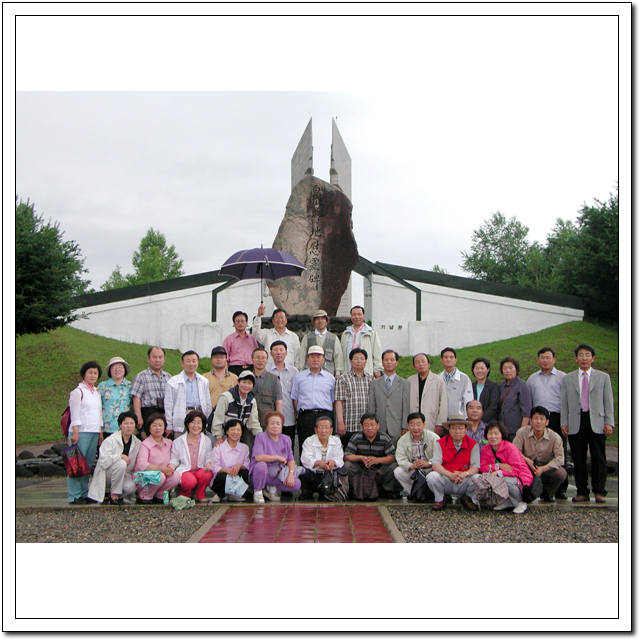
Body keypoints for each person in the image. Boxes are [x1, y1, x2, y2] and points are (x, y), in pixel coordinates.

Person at [561, 343, 615, 503]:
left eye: (587, 355)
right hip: (576, 421)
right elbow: (564, 403)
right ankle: (582, 491)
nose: (584, 358)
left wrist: (609, 422)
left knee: (599, 457)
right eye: (581, 355)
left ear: (593, 358)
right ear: (576, 358)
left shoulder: (603, 377)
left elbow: (608, 401)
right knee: (578, 458)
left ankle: (599, 491)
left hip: (597, 421)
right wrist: (564, 422)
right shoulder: (568, 378)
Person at [527, 347, 568, 498]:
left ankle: (561, 489)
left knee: (560, 450)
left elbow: (566, 400)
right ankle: (537, 486)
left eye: (548, 357)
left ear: (554, 359)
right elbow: (529, 399)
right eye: (542, 357)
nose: (545, 360)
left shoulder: (562, 377)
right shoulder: (532, 378)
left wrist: (565, 421)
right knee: (537, 450)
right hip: (537, 418)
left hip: (556, 417)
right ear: (538, 360)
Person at [67, 361, 104, 505]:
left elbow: (99, 413)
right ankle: (74, 495)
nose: (93, 375)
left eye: (95, 373)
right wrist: (75, 432)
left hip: (93, 432)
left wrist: (100, 431)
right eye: (90, 373)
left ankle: (83, 492)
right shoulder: (78, 392)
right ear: (84, 374)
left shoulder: (96, 392)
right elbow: (74, 414)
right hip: (81, 432)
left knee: (87, 464)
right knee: (76, 464)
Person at [513, 406, 567, 503]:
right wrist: (526, 460)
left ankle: (548, 493)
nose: (538, 421)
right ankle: (522, 494)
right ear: (530, 421)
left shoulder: (555, 437)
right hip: (526, 467)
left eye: (542, 419)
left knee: (561, 473)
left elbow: (560, 458)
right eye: (536, 418)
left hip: (545, 469)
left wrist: (543, 468)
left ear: (547, 422)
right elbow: (514, 451)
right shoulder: (521, 432)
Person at [426, 415, 480, 511]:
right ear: (449, 429)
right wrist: (449, 474)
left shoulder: (473, 444)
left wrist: (465, 474)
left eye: (460, 428)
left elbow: (476, 466)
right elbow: (436, 464)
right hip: (447, 478)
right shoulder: (440, 443)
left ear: (466, 429)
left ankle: (468, 498)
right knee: (432, 476)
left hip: (464, 479)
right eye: (454, 428)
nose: (457, 431)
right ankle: (440, 499)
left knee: (478, 478)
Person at [88, 411, 141, 505]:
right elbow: (103, 462)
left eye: (131, 423)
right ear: (120, 425)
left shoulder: (137, 443)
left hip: (125, 475)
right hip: (107, 474)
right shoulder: (110, 440)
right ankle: (114, 496)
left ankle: (111, 494)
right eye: (126, 423)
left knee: (131, 488)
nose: (129, 426)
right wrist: (119, 456)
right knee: (121, 463)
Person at [343, 413, 401, 498]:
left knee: (394, 466)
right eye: (366, 425)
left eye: (372, 425)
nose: (369, 428)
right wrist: (361, 458)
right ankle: (355, 491)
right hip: (362, 469)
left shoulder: (384, 437)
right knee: (347, 465)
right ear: (362, 427)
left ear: (378, 426)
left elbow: (392, 457)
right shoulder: (356, 437)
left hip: (379, 470)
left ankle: (386, 490)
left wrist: (378, 460)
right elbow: (347, 455)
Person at [249, 411, 301, 504]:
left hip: (278, 474)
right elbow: (258, 457)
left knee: (296, 484)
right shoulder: (260, 437)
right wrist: (277, 457)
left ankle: (272, 488)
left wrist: (291, 474)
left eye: (278, 423)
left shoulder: (286, 439)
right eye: (272, 423)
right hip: (262, 474)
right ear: (267, 426)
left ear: (281, 426)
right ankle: (258, 492)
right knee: (261, 466)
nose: (275, 426)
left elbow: (291, 459)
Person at [290, 345, 335, 452]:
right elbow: (295, 399)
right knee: (305, 447)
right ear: (307, 359)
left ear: (323, 359)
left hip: (325, 415)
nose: (315, 360)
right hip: (306, 416)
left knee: (325, 447)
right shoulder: (299, 377)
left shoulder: (330, 378)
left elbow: (333, 400)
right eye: (312, 357)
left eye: (318, 357)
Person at [480, 421, 532, 514]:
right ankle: (508, 502)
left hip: (521, 477)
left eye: (496, 433)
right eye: (490, 433)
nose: (493, 436)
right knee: (485, 479)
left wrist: (498, 473)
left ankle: (521, 502)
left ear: (502, 435)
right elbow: (483, 468)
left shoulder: (510, 448)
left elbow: (516, 470)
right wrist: (498, 466)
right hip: (504, 474)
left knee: (505, 481)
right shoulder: (485, 449)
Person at [134, 413, 180, 503]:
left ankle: (159, 495)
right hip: (145, 477)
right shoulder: (145, 444)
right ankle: (145, 495)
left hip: (164, 475)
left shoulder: (169, 443)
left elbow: (174, 458)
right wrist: (161, 469)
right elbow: (142, 464)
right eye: (154, 425)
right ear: (149, 428)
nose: (157, 428)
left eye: (160, 425)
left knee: (176, 476)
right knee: (159, 476)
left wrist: (170, 468)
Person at [164, 351, 212, 438]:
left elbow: (208, 403)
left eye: (194, 361)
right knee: (180, 444)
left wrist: (208, 421)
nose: (191, 364)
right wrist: (169, 425)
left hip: (199, 416)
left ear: (198, 362)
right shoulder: (173, 382)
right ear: (182, 363)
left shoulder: (204, 381)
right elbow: (168, 405)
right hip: (181, 416)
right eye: (188, 361)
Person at [368, 349, 410, 446]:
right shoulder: (374, 383)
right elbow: (372, 406)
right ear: (382, 362)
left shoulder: (404, 383)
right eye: (386, 360)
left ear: (396, 362)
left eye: (392, 360)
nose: (389, 362)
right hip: (379, 425)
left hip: (396, 426)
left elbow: (406, 406)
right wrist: (372, 424)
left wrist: (405, 426)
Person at [169, 410, 213, 502]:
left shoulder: (207, 440)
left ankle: (200, 494)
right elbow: (174, 459)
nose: (196, 426)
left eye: (199, 423)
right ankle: (184, 495)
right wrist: (170, 467)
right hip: (186, 470)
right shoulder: (178, 441)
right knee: (190, 481)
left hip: (200, 469)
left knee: (207, 474)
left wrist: (208, 464)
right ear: (188, 424)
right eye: (193, 422)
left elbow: (209, 456)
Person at [210, 370, 262, 449]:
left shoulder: (252, 401)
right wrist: (219, 437)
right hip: (218, 435)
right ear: (238, 382)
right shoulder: (226, 397)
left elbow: (253, 423)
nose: (246, 386)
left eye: (249, 383)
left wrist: (262, 437)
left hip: (235, 436)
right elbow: (218, 418)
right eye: (244, 382)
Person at [393, 412, 440, 496]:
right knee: (398, 472)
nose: (415, 428)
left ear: (424, 425)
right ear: (408, 426)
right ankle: (415, 493)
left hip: (430, 468)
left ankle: (432, 493)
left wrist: (428, 463)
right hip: (414, 469)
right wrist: (411, 466)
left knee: (436, 475)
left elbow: (439, 456)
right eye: (412, 425)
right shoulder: (402, 440)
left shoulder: (434, 437)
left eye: (418, 424)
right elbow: (400, 458)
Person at [335, 348, 373, 449]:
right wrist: (340, 422)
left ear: (366, 361)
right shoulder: (343, 379)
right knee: (348, 452)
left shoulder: (371, 379)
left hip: (366, 426)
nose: (359, 361)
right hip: (349, 424)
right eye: (356, 358)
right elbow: (339, 401)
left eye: (362, 358)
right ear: (350, 361)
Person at [299, 416, 345, 499]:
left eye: (326, 427)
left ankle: (327, 492)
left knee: (341, 471)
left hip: (329, 475)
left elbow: (340, 459)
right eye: (320, 427)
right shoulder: (309, 441)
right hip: (314, 474)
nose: (323, 431)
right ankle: (306, 493)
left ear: (331, 430)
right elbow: (305, 459)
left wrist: (333, 462)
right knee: (304, 472)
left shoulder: (336, 441)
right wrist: (319, 463)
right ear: (316, 430)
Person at [266, 340, 299, 455]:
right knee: (270, 448)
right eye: (275, 350)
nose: (278, 352)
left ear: (286, 353)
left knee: (287, 448)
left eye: (281, 350)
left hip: (288, 415)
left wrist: (296, 412)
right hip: (270, 415)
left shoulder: (294, 371)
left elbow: (296, 394)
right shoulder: (266, 370)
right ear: (271, 353)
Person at [210, 419, 251, 503]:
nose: (235, 432)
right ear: (227, 431)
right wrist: (225, 470)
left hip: (237, 477)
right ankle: (220, 494)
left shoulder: (245, 448)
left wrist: (239, 466)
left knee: (245, 473)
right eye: (232, 429)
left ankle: (234, 494)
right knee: (223, 476)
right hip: (222, 478)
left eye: (238, 430)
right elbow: (214, 467)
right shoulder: (219, 447)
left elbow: (247, 465)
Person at [131, 346, 172, 430]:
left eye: (160, 357)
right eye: (154, 357)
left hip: (165, 413)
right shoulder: (141, 376)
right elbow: (136, 397)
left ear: (164, 359)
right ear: (148, 359)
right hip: (148, 413)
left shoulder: (169, 377)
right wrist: (138, 416)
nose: (157, 360)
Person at [407, 353, 448, 435]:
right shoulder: (409, 381)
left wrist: (440, 423)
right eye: (417, 362)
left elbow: (443, 403)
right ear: (414, 366)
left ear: (428, 364)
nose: (420, 364)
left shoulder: (438, 380)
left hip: (431, 421)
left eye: (423, 361)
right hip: (414, 421)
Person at [339, 305, 383, 378]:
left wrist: (377, 369)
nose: (357, 317)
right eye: (354, 314)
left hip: (366, 371)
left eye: (359, 314)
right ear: (351, 316)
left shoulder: (371, 333)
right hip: (348, 370)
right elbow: (342, 354)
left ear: (363, 316)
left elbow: (377, 352)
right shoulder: (346, 333)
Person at [299, 309, 345, 376]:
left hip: (328, 374)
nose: (320, 321)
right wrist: (301, 371)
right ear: (314, 322)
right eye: (317, 319)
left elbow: (338, 357)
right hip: (310, 374)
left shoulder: (334, 338)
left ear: (327, 321)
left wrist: (338, 372)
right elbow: (302, 356)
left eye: (322, 319)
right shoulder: (307, 338)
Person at [497, 357, 532, 441]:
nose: (508, 371)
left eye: (510, 368)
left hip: (516, 430)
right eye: (505, 368)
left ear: (516, 369)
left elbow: (527, 411)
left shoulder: (522, 385)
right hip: (502, 429)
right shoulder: (500, 386)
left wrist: (522, 430)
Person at [98, 356, 132, 436]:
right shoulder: (103, 386)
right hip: (107, 428)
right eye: (114, 368)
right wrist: (100, 428)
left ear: (124, 370)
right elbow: (97, 408)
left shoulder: (130, 386)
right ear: (110, 371)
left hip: (125, 429)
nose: (117, 370)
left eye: (120, 367)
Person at [250, 347, 283, 427]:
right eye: (257, 357)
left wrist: (278, 422)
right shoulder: (246, 378)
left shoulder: (274, 379)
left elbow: (278, 402)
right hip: (249, 422)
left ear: (267, 360)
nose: (260, 360)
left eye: (263, 358)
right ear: (252, 359)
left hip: (267, 423)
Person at [438, 347, 474, 419]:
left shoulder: (464, 378)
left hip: (458, 419)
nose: (448, 359)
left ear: (455, 360)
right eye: (446, 357)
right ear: (441, 360)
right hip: (441, 419)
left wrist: (466, 417)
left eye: (451, 357)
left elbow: (468, 400)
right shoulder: (437, 378)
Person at [223, 311, 259, 376]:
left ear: (246, 323)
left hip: (251, 368)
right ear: (234, 323)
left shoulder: (252, 338)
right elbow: (225, 359)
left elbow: (257, 354)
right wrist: (225, 374)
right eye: (237, 321)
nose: (240, 323)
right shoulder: (228, 339)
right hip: (235, 369)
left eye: (242, 321)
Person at [203, 346, 238, 413]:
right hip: (210, 414)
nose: (219, 359)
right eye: (215, 357)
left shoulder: (235, 378)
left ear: (226, 360)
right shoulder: (204, 378)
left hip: (229, 414)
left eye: (222, 357)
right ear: (211, 360)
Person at [470, 357, 500, 424]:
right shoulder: (470, 386)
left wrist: (479, 420)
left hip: (488, 423)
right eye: (477, 368)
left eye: (482, 368)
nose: (479, 371)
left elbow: (493, 407)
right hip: (471, 423)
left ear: (488, 369)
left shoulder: (494, 387)